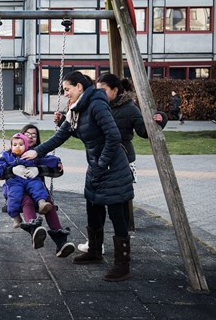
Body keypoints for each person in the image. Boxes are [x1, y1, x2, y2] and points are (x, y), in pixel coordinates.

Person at [22, 71, 134, 282]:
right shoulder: (77, 110)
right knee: (93, 208)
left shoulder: (97, 104)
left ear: (79, 88)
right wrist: (37, 151)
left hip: (113, 169)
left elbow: (113, 136)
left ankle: (123, 264)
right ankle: (94, 251)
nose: (65, 94)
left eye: (67, 89)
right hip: (97, 167)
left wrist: (102, 163)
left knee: (117, 215)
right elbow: (61, 135)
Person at [66, 74, 167, 253]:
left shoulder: (128, 109)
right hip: (103, 161)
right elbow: (84, 131)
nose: (100, 93)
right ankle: (96, 245)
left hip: (122, 159)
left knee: (118, 206)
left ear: (115, 90)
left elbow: (144, 131)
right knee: (95, 203)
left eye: (104, 90)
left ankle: (122, 251)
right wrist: (64, 122)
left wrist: (160, 118)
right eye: (98, 90)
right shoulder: (95, 106)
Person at [2, 125, 76, 257]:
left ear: (37, 139)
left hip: (38, 193)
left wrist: (40, 169)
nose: (30, 137)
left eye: (34, 135)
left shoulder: (39, 154)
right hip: (18, 194)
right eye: (27, 134)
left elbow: (58, 172)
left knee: (49, 203)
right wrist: (12, 170)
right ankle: (35, 229)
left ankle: (61, 242)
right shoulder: (11, 153)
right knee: (27, 200)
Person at [0, 133, 56, 229]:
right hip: (15, 181)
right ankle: (16, 217)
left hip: (30, 178)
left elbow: (46, 159)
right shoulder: (7, 155)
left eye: (21, 144)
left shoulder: (32, 154)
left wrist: (57, 162)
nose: (18, 147)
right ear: (11, 146)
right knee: (13, 196)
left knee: (37, 186)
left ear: (26, 145)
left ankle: (42, 203)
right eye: (15, 145)